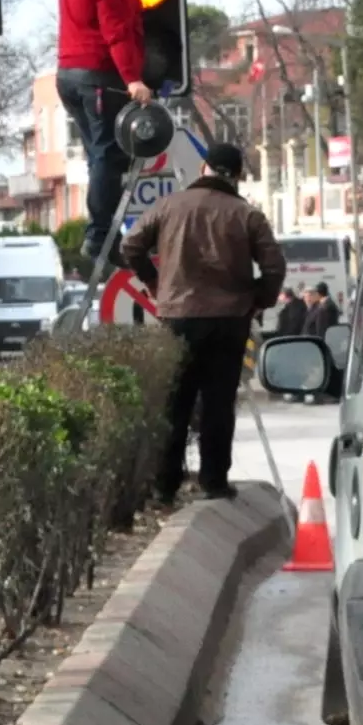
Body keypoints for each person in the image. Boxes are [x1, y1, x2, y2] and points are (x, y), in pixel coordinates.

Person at [122, 143, 286, 504]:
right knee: (218, 402)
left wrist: (154, 282)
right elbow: (274, 268)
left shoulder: (169, 206)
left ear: (203, 169)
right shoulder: (248, 215)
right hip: (229, 321)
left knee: (175, 402)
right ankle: (214, 480)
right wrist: (258, 301)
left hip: (177, 318)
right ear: (238, 176)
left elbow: (131, 245)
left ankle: (165, 484)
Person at [58, 0, 156, 270]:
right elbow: (116, 33)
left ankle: (99, 233)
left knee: (97, 156)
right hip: (97, 76)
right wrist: (132, 79)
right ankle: (101, 237)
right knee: (108, 157)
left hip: (68, 74)